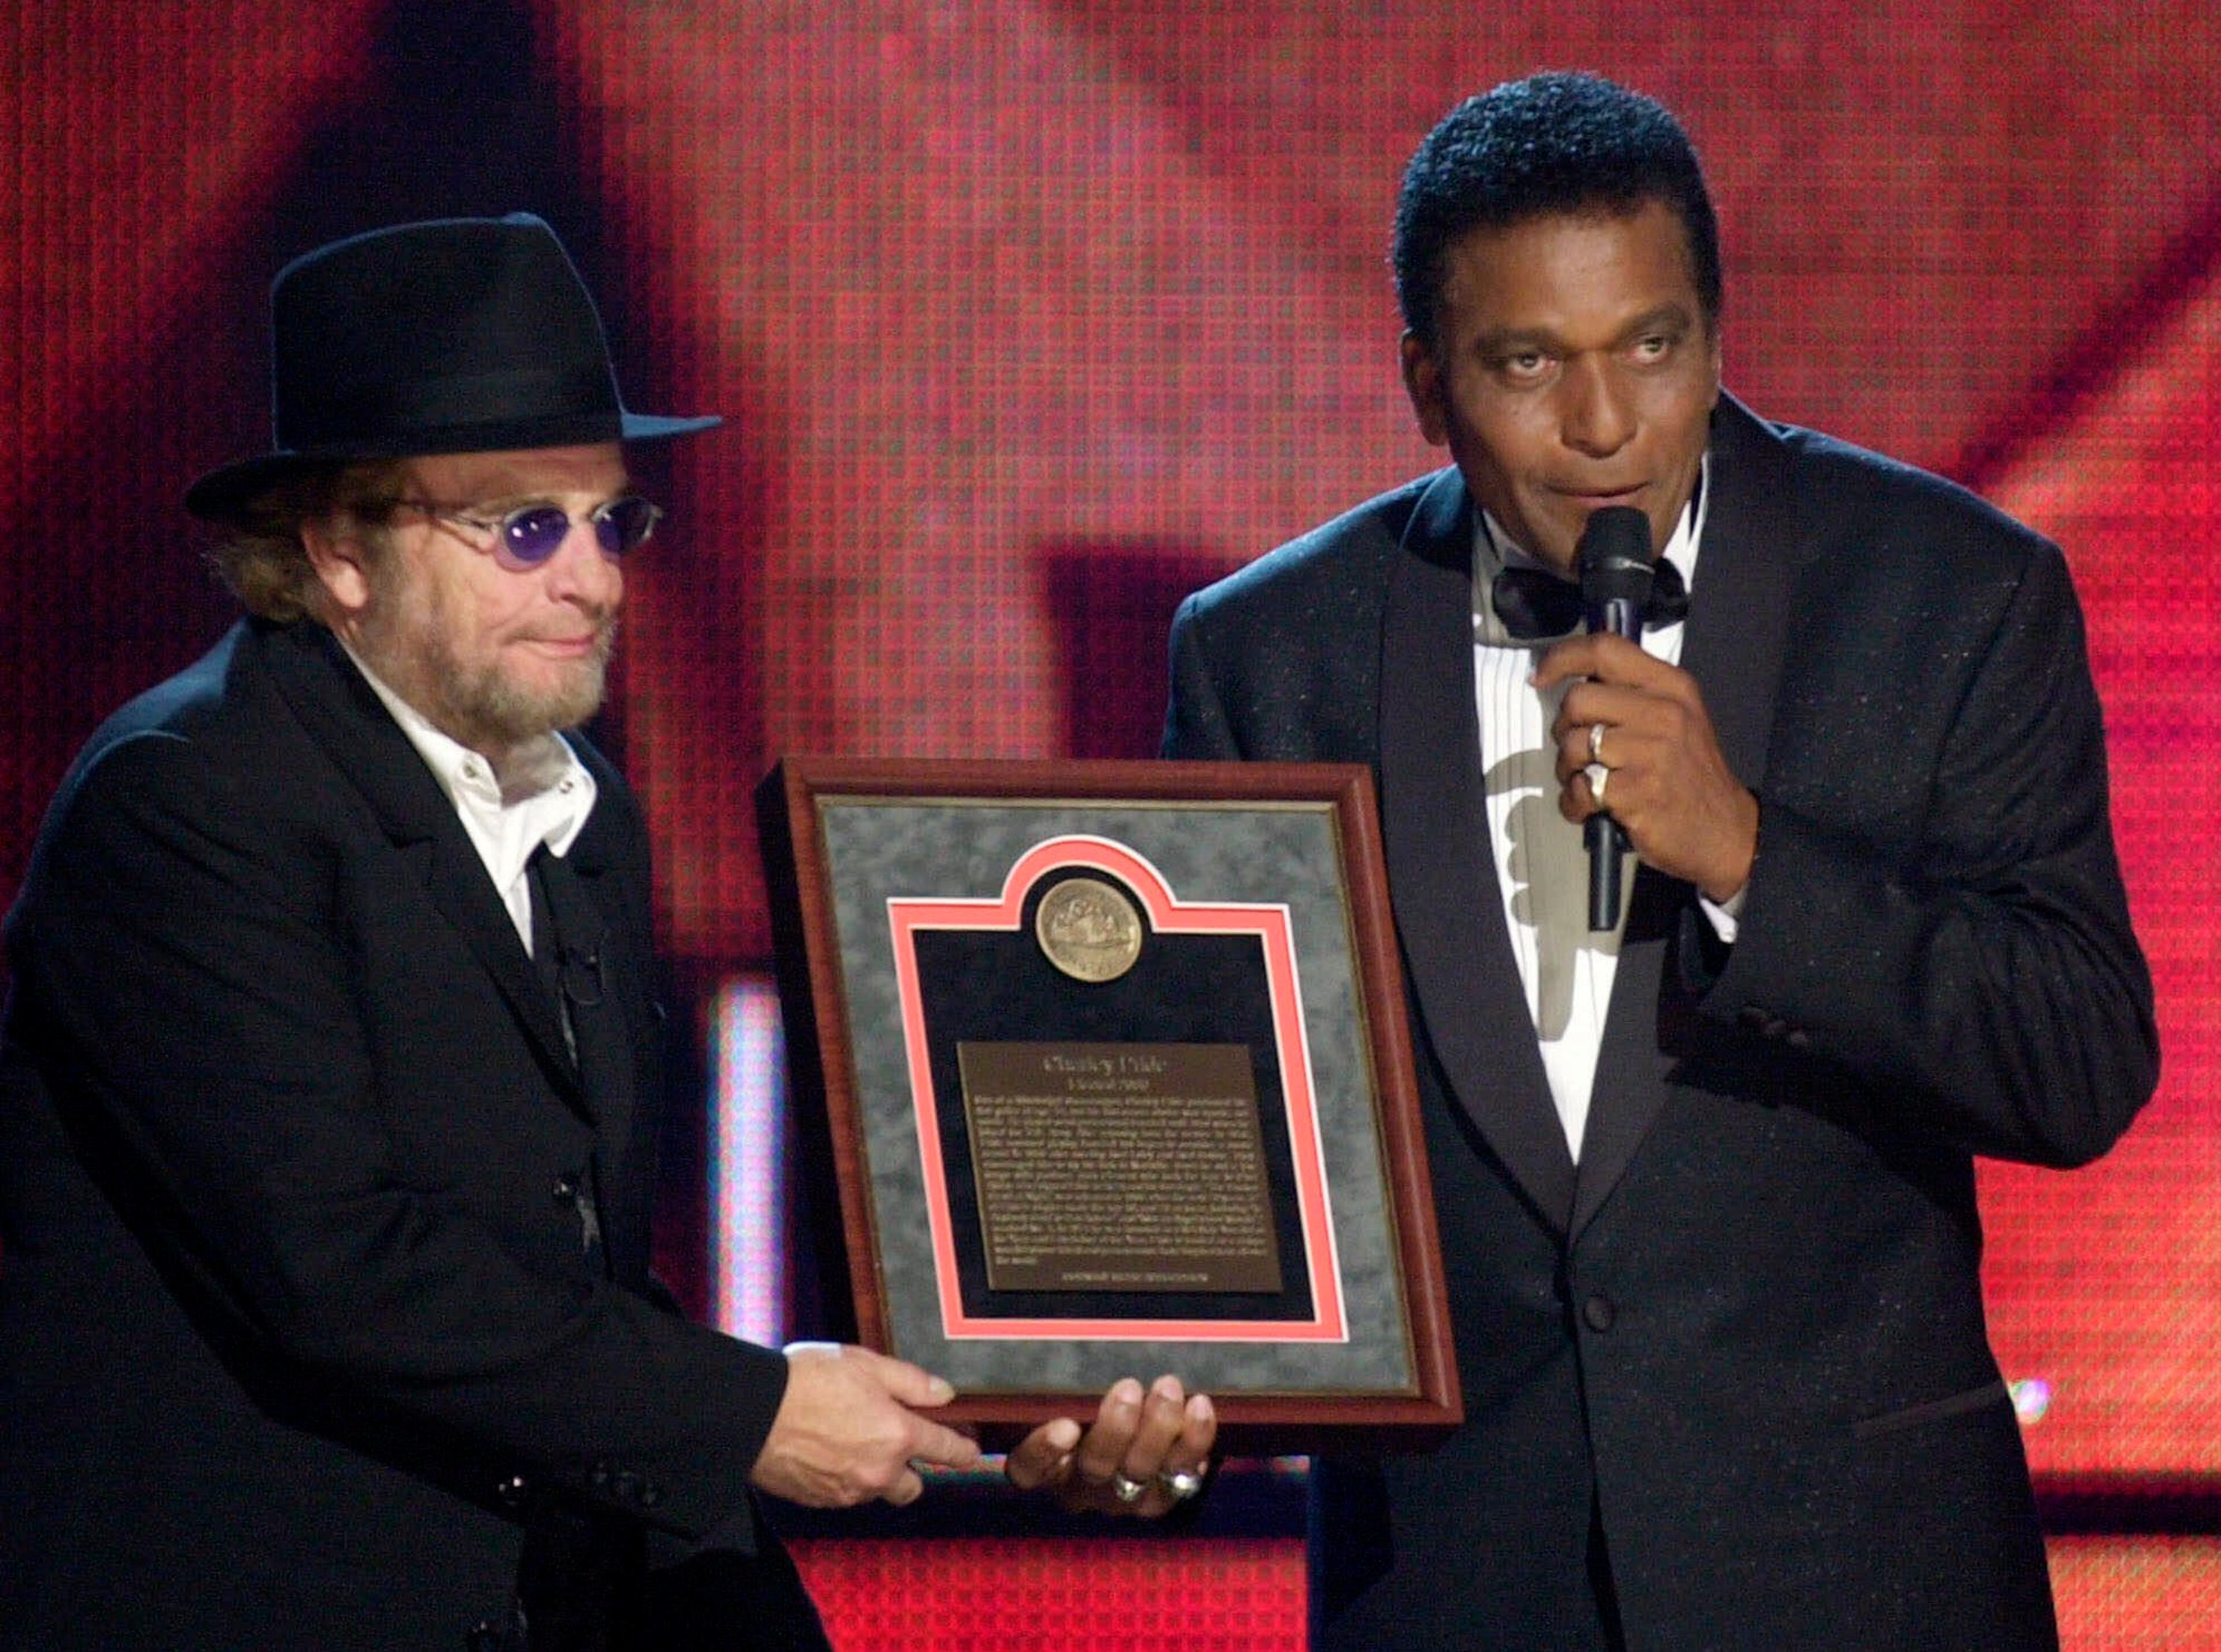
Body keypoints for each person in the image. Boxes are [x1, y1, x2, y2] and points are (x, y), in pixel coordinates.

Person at [0, 213, 1211, 1651]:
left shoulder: (582, 812)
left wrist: (983, 1404)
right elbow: (340, 1266)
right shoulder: (191, 803)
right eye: (524, 526)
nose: (595, 578)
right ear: (336, 549)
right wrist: (749, 1410)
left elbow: (566, 1267)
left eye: (610, 518)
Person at [1162, 73, 2157, 1649]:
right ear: (1428, 383)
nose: (1608, 424)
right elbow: (1236, 1151)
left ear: (1713, 329)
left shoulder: (1949, 593)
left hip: (1860, 1585)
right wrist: (1138, 1388)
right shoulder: (1270, 655)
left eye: (1653, 344)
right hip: (1460, 1593)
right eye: (1528, 365)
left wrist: (1752, 856)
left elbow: (2080, 1059)